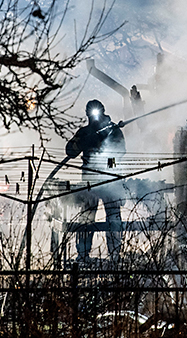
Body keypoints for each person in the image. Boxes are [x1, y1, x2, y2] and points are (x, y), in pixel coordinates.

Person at [66, 99, 126, 263]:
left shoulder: (113, 130)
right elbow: (70, 151)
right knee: (86, 219)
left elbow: (120, 151)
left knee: (113, 218)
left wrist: (107, 165)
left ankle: (115, 255)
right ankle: (83, 254)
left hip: (110, 180)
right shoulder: (84, 133)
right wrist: (85, 141)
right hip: (90, 182)